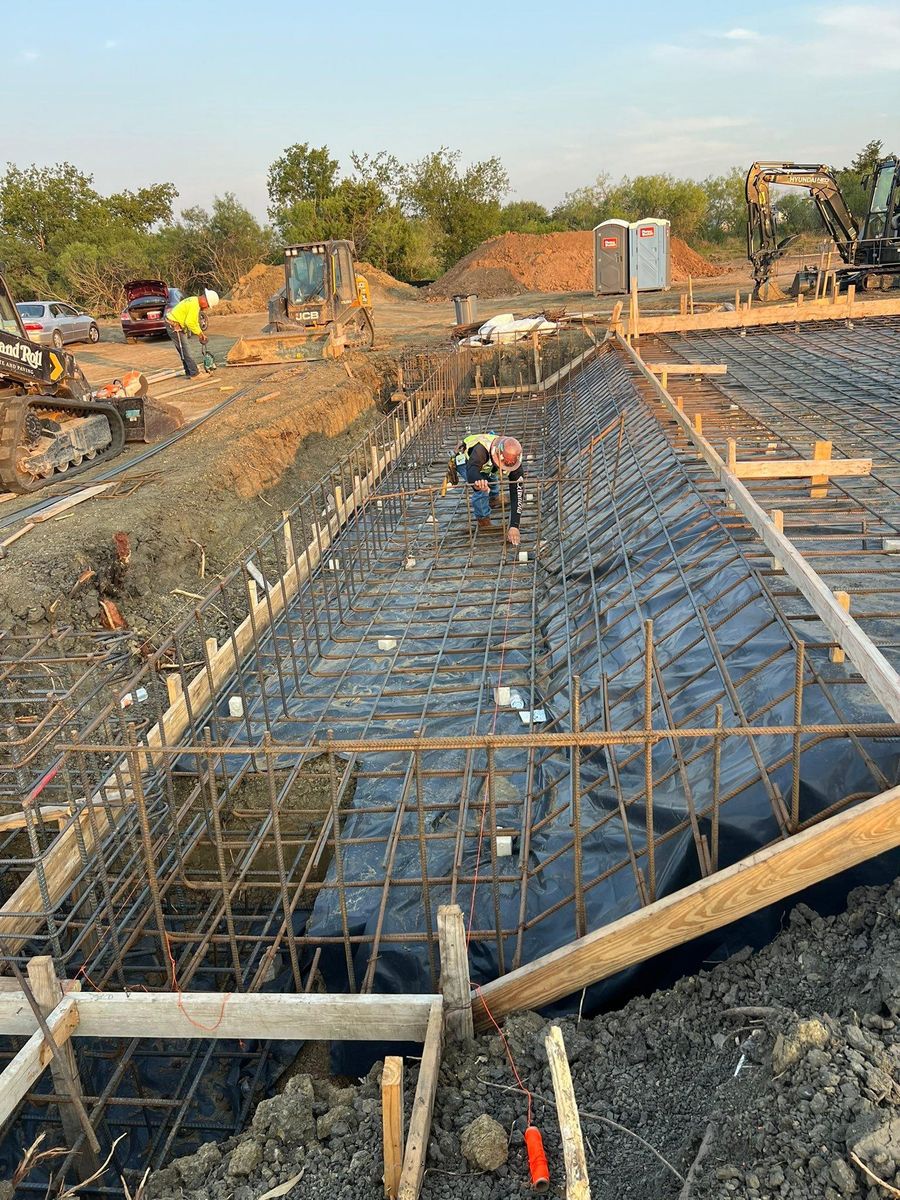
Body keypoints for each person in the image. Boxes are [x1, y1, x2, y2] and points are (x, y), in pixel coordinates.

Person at [453, 433, 524, 546]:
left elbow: (518, 494)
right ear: (496, 455)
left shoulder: (514, 462)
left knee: (491, 475)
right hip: (467, 461)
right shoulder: (481, 451)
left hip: (487, 465)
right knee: (482, 488)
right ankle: (483, 519)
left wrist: (514, 526)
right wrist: (478, 481)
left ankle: (493, 498)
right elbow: (472, 472)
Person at [166, 288, 219, 378]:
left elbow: (194, 321)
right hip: (174, 326)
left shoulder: (194, 301)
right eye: (207, 306)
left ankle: (189, 371)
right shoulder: (194, 305)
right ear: (204, 300)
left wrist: (200, 333)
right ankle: (194, 374)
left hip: (175, 325)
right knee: (186, 351)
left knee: (183, 351)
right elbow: (190, 322)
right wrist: (199, 334)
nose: (205, 308)